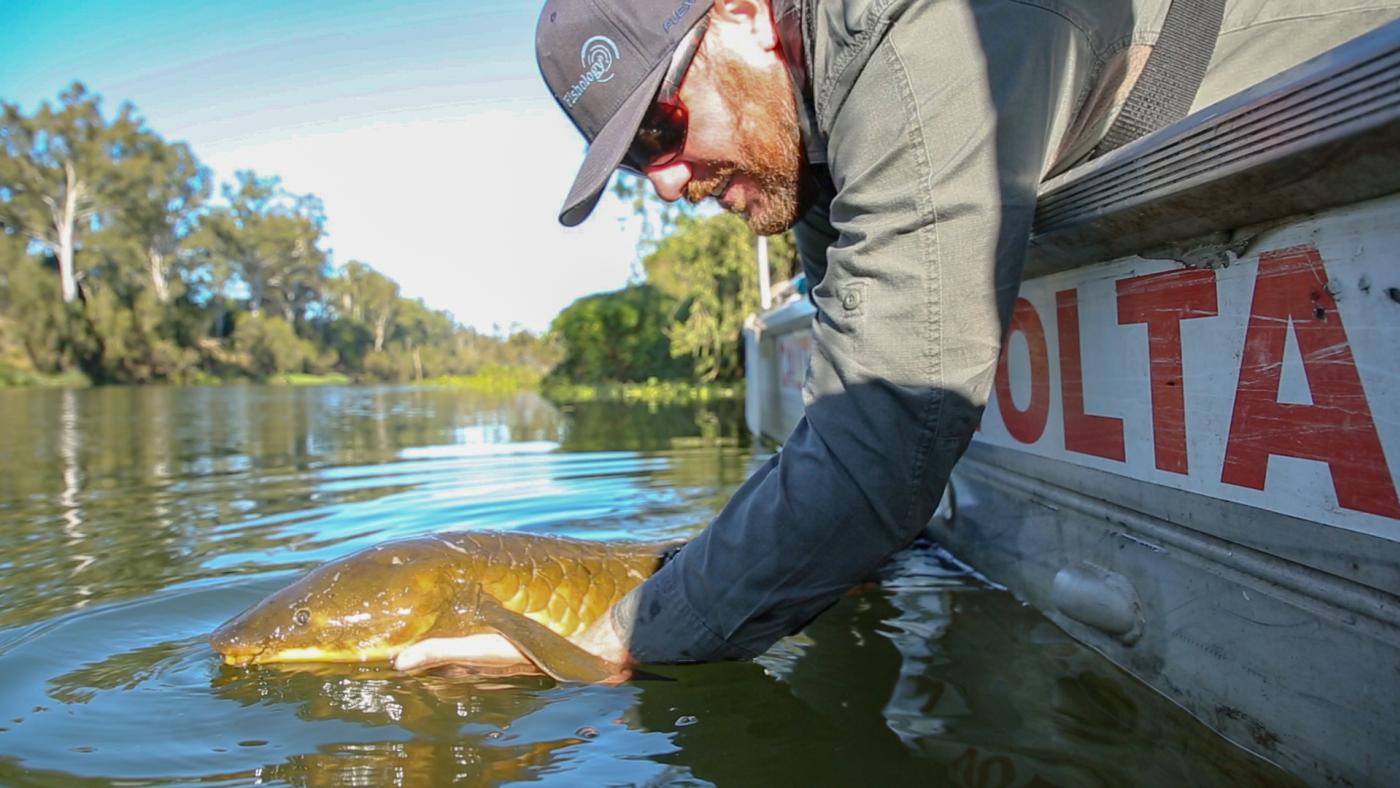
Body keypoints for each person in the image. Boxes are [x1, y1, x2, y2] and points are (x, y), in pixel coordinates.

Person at [533, 0, 1400, 670]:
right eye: (636, 161)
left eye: (663, 126)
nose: (667, 183)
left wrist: (613, 641)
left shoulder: (911, 34)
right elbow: (839, 418)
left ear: (747, 16)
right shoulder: (814, 136)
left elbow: (880, 443)